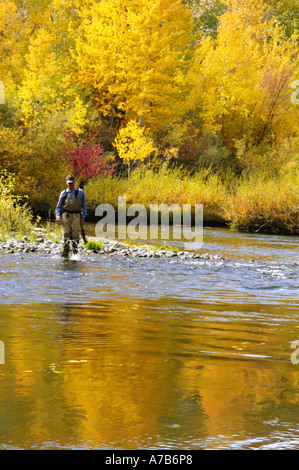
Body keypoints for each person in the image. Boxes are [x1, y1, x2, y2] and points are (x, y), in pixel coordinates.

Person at [55, 175, 88, 258]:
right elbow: (58, 207)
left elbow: (84, 206)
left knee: (75, 235)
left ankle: (75, 256)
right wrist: (58, 216)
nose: (70, 185)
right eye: (69, 183)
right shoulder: (63, 193)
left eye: (72, 183)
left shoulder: (80, 192)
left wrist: (83, 217)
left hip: (77, 216)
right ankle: (64, 256)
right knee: (66, 235)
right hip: (65, 216)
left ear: (74, 183)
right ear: (67, 183)